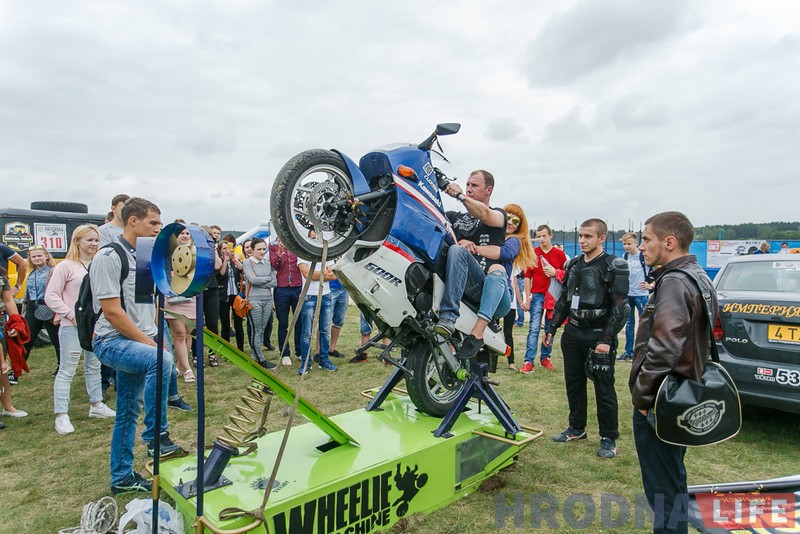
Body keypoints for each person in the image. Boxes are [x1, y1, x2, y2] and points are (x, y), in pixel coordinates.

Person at [630, 211, 717, 534]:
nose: (641, 246)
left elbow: (665, 346)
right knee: (672, 478)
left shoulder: (674, 281)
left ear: (669, 242)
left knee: (663, 491)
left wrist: (643, 398)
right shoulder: (697, 275)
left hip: (663, 401)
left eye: (647, 239)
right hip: (680, 394)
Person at [90, 197, 184, 495]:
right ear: (133, 221)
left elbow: (149, 304)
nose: (158, 229)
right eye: (153, 223)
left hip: (140, 339)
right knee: (161, 361)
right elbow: (113, 312)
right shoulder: (109, 256)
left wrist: (157, 336)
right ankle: (158, 438)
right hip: (111, 340)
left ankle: (121, 478)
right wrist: (153, 345)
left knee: (128, 411)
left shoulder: (143, 256)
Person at [543, 218, 629, 459]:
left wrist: (606, 339)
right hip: (573, 332)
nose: (582, 240)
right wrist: (552, 328)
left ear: (601, 238)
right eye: (580, 236)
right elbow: (564, 300)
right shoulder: (573, 265)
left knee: (603, 387)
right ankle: (576, 428)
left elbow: (620, 308)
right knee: (574, 383)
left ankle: (609, 437)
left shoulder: (614, 265)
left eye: (588, 236)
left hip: (599, 334)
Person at [45, 224, 116, 434]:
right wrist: (69, 314)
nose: (94, 244)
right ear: (77, 241)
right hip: (72, 326)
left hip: (95, 325)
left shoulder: (98, 264)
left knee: (94, 366)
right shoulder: (65, 266)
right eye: (89, 240)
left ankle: (96, 404)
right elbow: (51, 295)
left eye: (96, 240)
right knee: (67, 369)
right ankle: (61, 414)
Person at [434, 170, 509, 360]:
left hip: (492, 293)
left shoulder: (498, 215)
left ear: (488, 190)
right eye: (467, 185)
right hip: (465, 287)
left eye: (474, 186)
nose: (468, 189)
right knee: (456, 250)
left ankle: (456, 321)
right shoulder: (455, 217)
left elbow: (483, 213)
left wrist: (459, 195)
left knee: (497, 269)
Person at [520, 224, 567, 373]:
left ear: (550, 236)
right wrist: (528, 297)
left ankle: (545, 358)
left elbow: (566, 276)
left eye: (544, 236)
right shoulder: (533, 254)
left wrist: (555, 272)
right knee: (533, 328)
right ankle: (529, 361)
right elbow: (527, 277)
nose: (541, 239)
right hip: (538, 296)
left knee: (549, 328)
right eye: (539, 236)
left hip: (553, 297)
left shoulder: (560, 255)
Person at [500, 204, 535, 371]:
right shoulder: (493, 237)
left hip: (507, 296)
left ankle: (511, 361)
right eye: (507, 217)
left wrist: (521, 300)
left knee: (507, 331)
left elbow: (514, 280)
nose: (511, 223)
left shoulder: (513, 244)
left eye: (516, 221)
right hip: (492, 290)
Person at [297, 234, 337, 373]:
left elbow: (334, 274)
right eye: (313, 238)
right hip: (309, 295)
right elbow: (306, 274)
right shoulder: (303, 253)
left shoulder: (327, 253)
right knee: (307, 332)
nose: (316, 241)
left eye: (318, 238)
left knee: (325, 331)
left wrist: (317, 274)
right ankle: (305, 363)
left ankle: (324, 359)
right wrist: (324, 273)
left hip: (326, 295)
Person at [164, 227, 197, 382]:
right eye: (181, 233)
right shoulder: (167, 254)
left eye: (187, 233)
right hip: (173, 298)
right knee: (180, 334)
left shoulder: (195, 253)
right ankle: (188, 369)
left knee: (188, 334)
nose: (184, 236)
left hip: (190, 297)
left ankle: (179, 365)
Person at [22, 245, 61, 376]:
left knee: (56, 339)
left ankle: (61, 367)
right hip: (33, 308)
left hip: (49, 306)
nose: (37, 258)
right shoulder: (31, 274)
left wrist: (58, 313)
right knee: (27, 339)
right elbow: (27, 295)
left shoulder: (53, 271)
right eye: (34, 256)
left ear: (46, 256)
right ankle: (17, 369)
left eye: (39, 255)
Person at [242, 237, 277, 369]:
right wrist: (266, 280)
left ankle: (255, 357)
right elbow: (252, 280)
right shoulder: (247, 263)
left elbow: (274, 282)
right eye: (259, 249)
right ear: (252, 250)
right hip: (254, 300)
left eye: (264, 249)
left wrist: (260, 280)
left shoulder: (267, 263)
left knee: (262, 329)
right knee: (256, 329)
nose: (262, 252)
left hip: (267, 300)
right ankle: (260, 358)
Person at [618, 232, 652, 361]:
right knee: (629, 323)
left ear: (636, 244)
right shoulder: (625, 256)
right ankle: (628, 352)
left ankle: (644, 352)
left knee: (644, 323)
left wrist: (651, 285)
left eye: (629, 244)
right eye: (624, 244)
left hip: (641, 295)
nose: (627, 246)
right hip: (628, 294)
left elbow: (661, 269)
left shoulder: (643, 256)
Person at [1, 265, 28, 422]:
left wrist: (16, 323)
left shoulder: (1, 275)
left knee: (2, 368)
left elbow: (8, 299)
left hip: (0, 328)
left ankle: (7, 407)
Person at [269, 237, 303, 365]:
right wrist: (280, 251)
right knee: (283, 323)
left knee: (299, 321)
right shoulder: (273, 246)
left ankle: (299, 351)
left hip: (297, 287)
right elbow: (274, 265)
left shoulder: (297, 243)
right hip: (282, 289)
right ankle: (285, 353)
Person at [220, 234, 245, 351]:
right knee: (225, 325)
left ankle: (240, 349)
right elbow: (221, 274)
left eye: (228, 248)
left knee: (238, 324)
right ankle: (226, 350)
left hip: (236, 296)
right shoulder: (219, 262)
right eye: (224, 249)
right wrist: (225, 261)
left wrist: (234, 258)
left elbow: (241, 268)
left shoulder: (235, 261)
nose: (226, 251)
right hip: (224, 296)